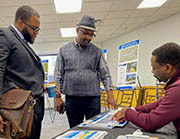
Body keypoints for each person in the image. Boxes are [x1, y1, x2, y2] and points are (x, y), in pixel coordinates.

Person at [54, 15, 118, 128]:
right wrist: (57, 98)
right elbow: (58, 75)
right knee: (75, 130)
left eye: (91, 34)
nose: (88, 37)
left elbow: (105, 74)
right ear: (77, 30)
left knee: (94, 129)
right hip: (72, 99)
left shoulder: (97, 52)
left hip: (92, 99)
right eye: (85, 33)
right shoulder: (63, 50)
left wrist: (110, 95)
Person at [112, 42, 180, 134]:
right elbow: (160, 103)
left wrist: (127, 112)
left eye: (154, 67)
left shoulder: (177, 88)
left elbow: (150, 123)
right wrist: (134, 109)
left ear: (168, 68)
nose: (152, 71)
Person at [0, 5, 44, 139]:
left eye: (38, 29)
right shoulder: (5, 35)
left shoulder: (22, 42)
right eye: (34, 28)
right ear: (20, 23)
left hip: (32, 109)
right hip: (20, 110)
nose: (36, 32)